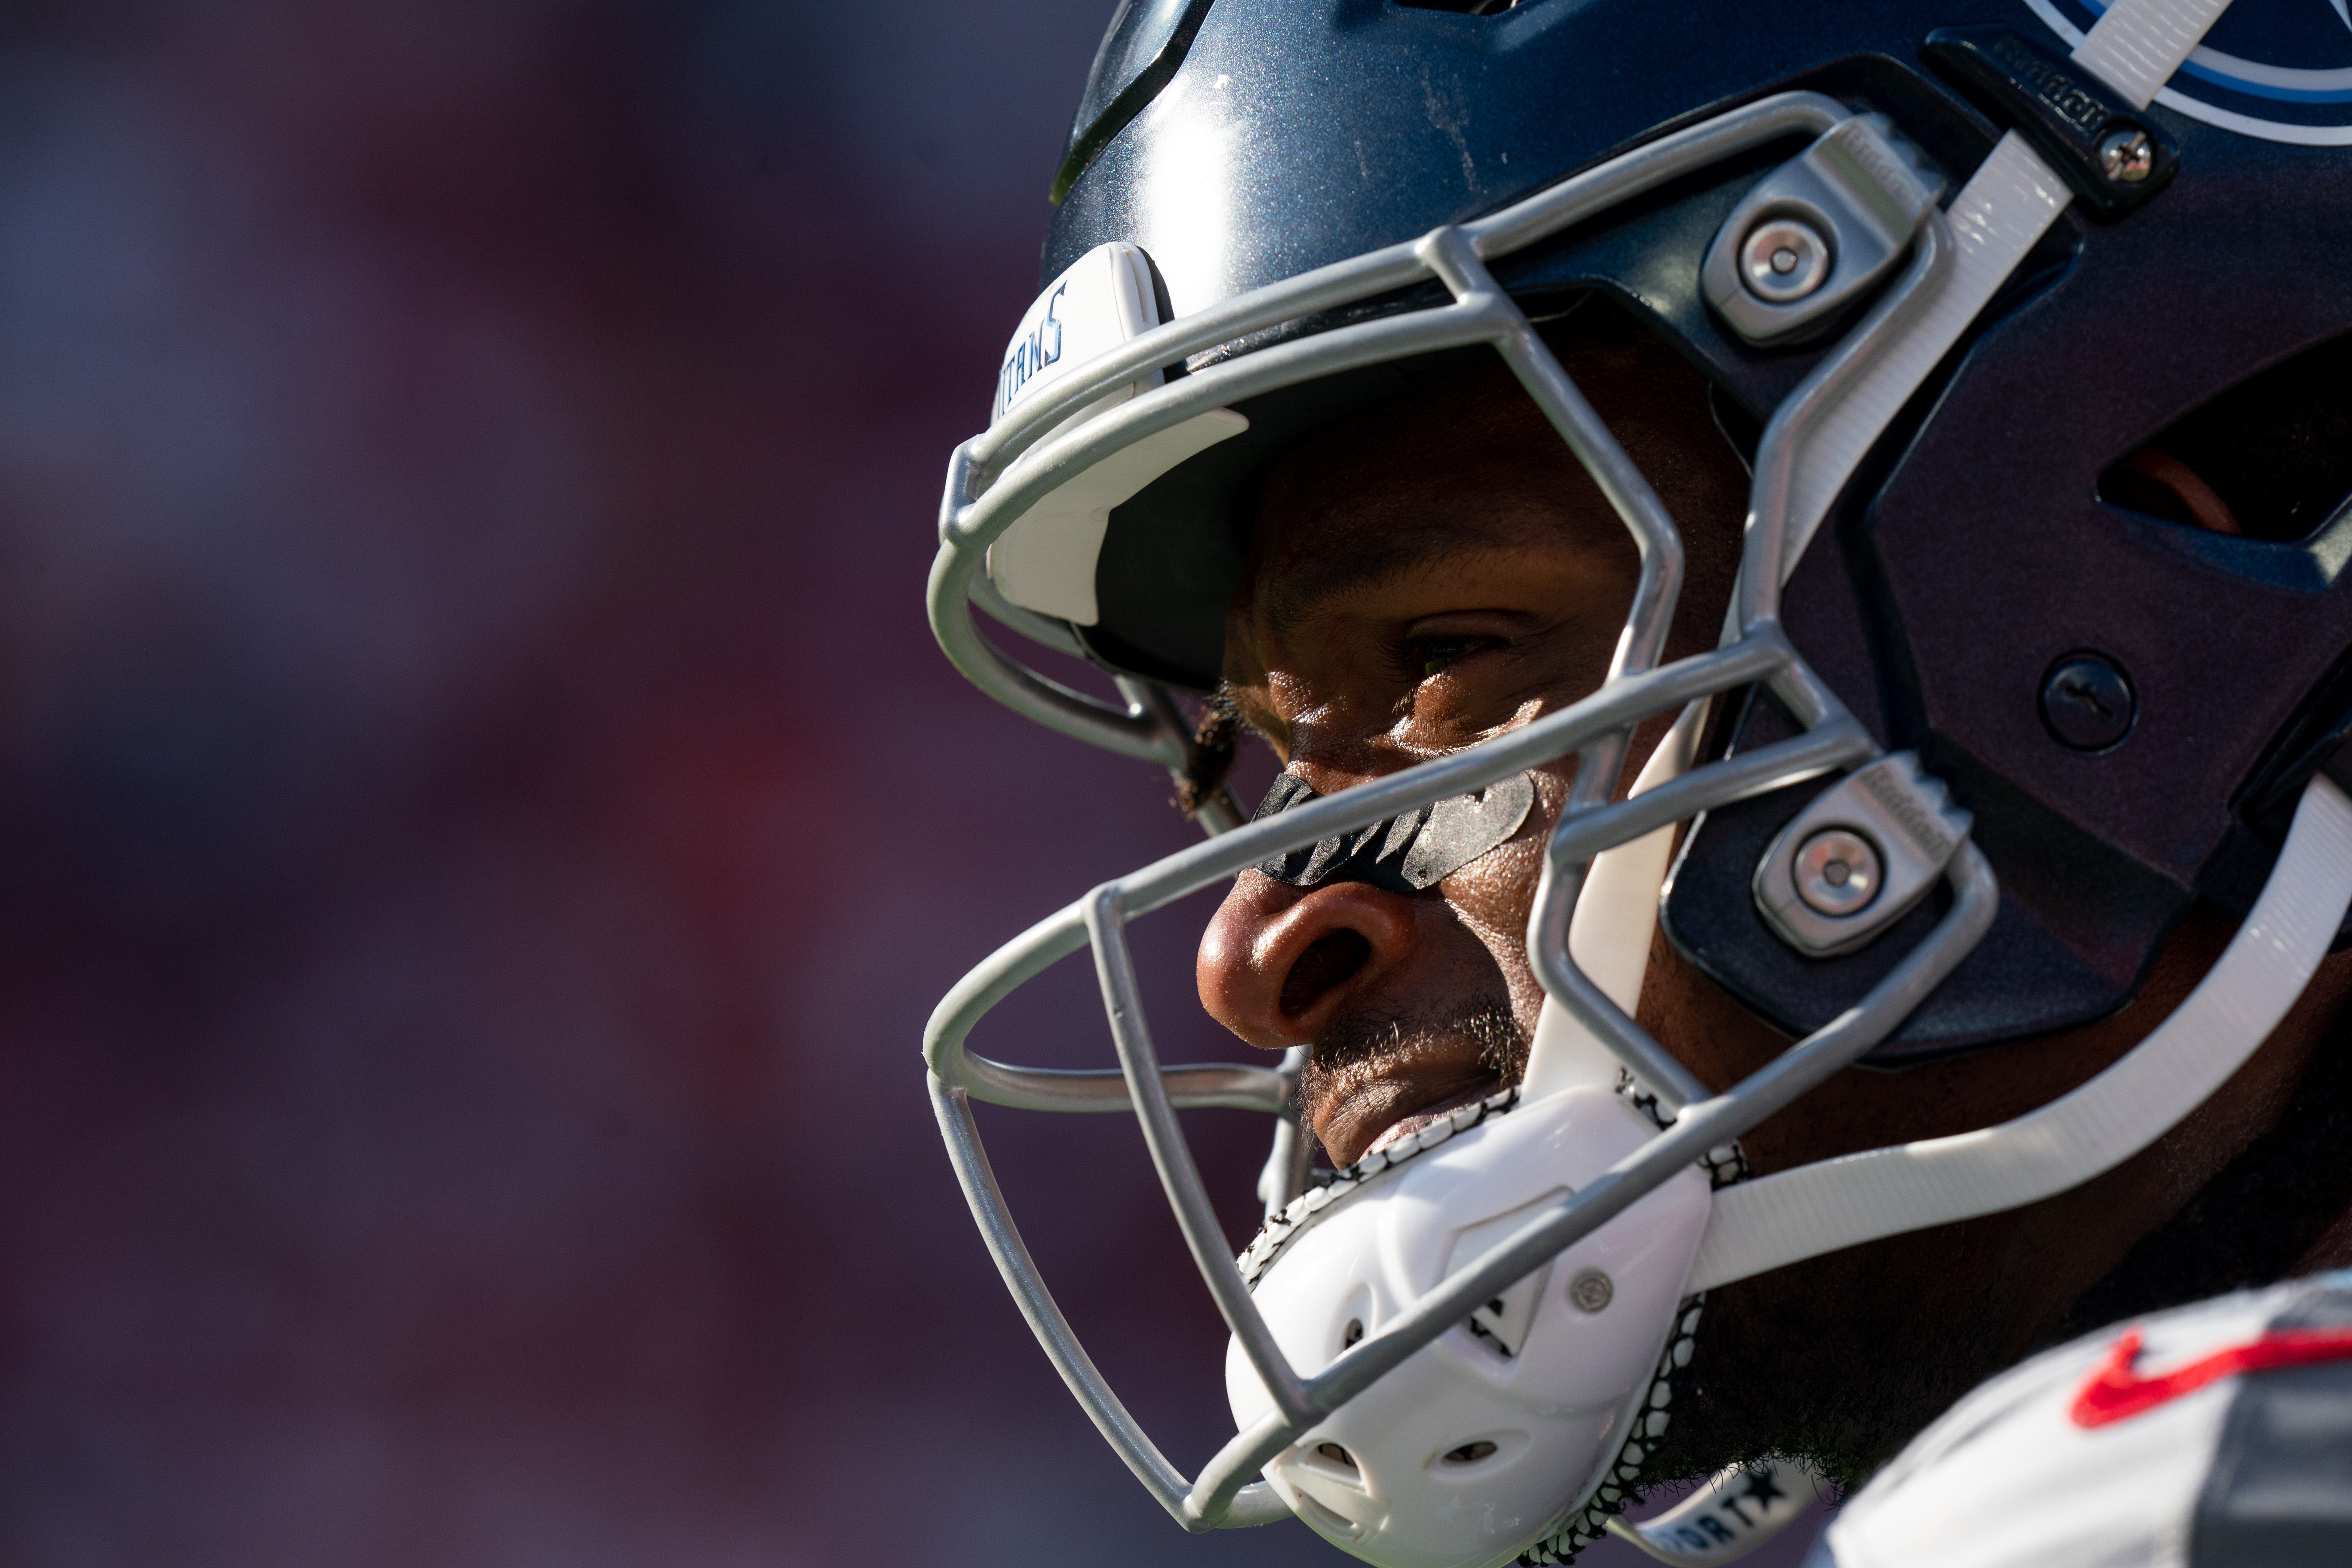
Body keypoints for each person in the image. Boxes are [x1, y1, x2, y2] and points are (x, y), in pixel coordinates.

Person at [920, 2, 2352, 1564]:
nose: (1250, 954)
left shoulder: (2167, 1510)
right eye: (1268, 759)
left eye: (1445, 660)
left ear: (2137, 603)